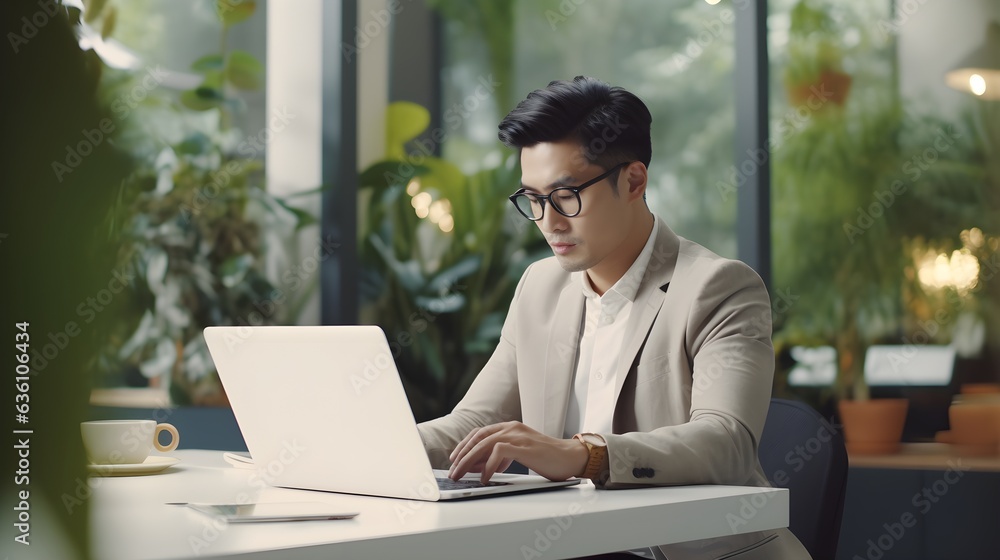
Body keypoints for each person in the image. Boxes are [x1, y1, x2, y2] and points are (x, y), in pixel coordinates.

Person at [417, 76, 810, 559]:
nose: (548, 221)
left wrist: (584, 454)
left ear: (633, 181)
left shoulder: (718, 287)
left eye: (565, 195)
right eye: (533, 199)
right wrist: (375, 448)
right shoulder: (540, 287)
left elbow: (725, 443)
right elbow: (475, 422)